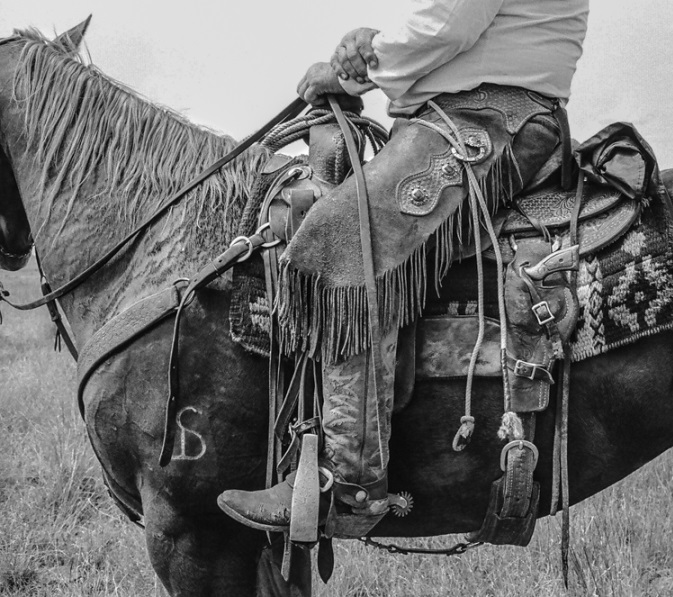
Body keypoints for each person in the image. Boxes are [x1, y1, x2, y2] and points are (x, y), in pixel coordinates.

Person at [218, 0, 589, 538]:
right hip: (472, 113)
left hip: (491, 118)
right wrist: (374, 54)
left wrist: (363, 63)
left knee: (346, 231)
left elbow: (449, 22)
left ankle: (346, 483)